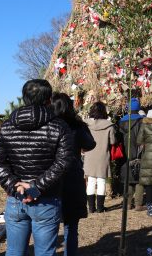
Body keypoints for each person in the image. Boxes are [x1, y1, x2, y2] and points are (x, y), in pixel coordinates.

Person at [0, 79, 74, 256]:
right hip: (46, 198)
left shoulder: (7, 125)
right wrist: (34, 188)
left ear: (24, 98)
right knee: (44, 252)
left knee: (14, 251)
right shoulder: (59, 126)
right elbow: (63, 162)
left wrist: (15, 186)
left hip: (16, 198)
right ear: (49, 99)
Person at [52, 93, 95, 256]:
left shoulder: (48, 124)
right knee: (71, 224)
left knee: (50, 224)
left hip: (50, 177)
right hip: (72, 175)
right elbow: (90, 143)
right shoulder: (77, 125)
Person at [84, 102, 116, 213]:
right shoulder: (109, 125)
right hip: (103, 155)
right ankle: (100, 208)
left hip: (89, 154)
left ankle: (91, 208)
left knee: (91, 180)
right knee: (102, 180)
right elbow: (113, 141)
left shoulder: (86, 124)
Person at [118, 98, 144, 210]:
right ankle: (138, 203)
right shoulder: (142, 121)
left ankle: (127, 203)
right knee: (139, 179)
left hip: (125, 153)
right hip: (139, 152)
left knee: (128, 179)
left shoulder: (121, 122)